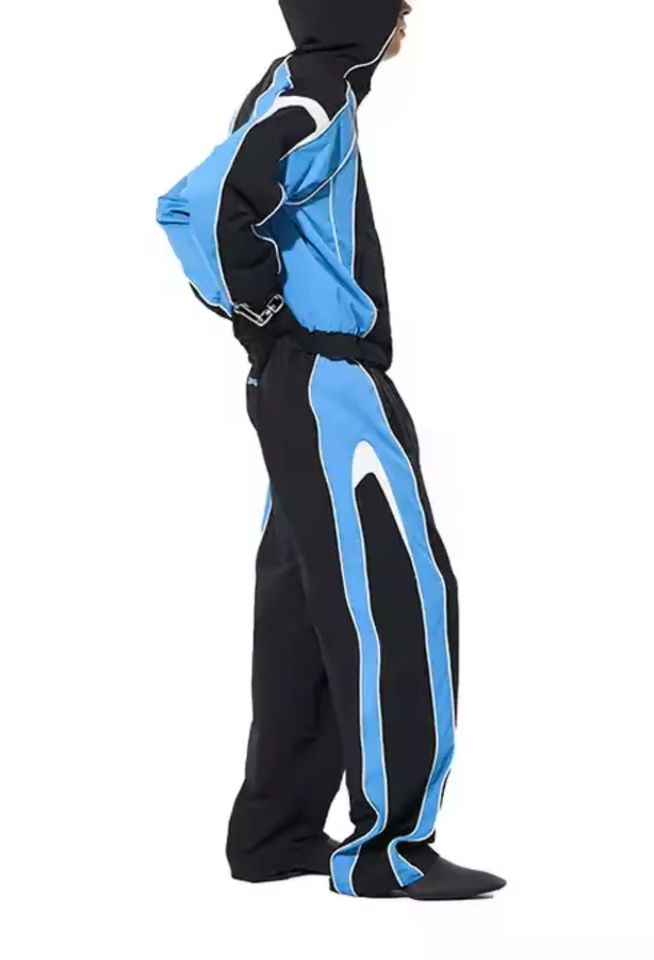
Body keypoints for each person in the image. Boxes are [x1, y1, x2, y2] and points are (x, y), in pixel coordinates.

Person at [157, 0, 505, 900]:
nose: (409, 12)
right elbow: (199, 206)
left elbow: (222, 208)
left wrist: (263, 329)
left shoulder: (295, 85)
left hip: (296, 376)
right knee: (401, 591)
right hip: (327, 378)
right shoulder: (311, 96)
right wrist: (266, 313)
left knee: (304, 596)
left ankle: (274, 834)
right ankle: (390, 849)